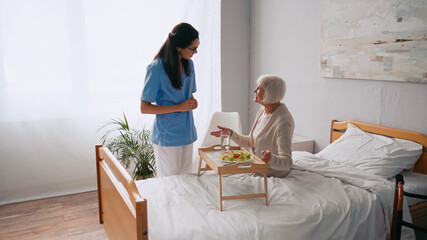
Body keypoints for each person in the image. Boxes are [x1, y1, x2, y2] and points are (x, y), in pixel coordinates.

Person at [140, 22, 199, 177]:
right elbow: (144, 108)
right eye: (193, 48)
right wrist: (179, 107)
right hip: (168, 135)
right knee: (169, 184)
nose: (196, 51)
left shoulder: (189, 65)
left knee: (186, 181)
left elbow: (188, 94)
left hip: (187, 132)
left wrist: (192, 102)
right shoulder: (156, 68)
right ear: (179, 47)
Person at [211, 74, 294, 178]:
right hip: (255, 168)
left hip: (271, 174)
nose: (254, 91)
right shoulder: (263, 111)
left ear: (269, 93)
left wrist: (270, 159)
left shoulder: (283, 121)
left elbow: (287, 162)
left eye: (259, 88)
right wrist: (231, 134)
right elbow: (250, 143)